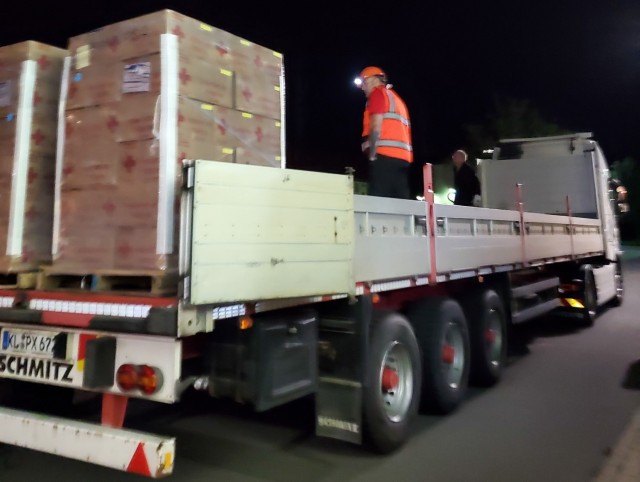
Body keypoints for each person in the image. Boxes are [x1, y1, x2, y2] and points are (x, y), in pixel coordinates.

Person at [355, 66, 413, 199]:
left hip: (384, 157)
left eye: (363, 83)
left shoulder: (378, 94)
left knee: (378, 202)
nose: (363, 88)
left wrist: (372, 154)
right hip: (402, 160)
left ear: (372, 80)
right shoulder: (397, 100)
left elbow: (376, 125)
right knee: (400, 202)